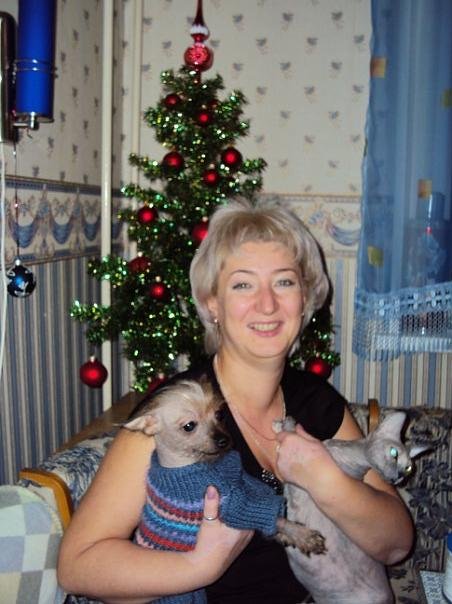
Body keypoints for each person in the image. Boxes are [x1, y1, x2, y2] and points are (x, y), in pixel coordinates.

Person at [58, 198, 414, 603]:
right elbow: (78, 565)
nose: (268, 304)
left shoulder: (316, 401)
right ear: (213, 303)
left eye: (284, 282)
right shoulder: (177, 415)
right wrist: (198, 567)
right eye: (243, 284)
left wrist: (323, 477)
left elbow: (396, 544)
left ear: (305, 299)